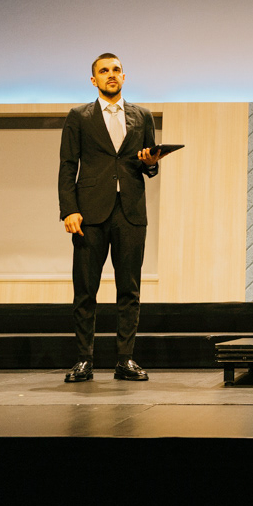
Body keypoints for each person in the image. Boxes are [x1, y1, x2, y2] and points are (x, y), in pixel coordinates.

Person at [58, 53, 162, 382]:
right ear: (94, 80)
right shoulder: (79, 116)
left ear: (124, 76)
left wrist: (151, 162)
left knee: (129, 289)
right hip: (89, 211)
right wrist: (68, 209)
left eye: (116, 70)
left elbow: (150, 165)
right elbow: (67, 165)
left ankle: (125, 359)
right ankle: (84, 360)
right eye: (104, 71)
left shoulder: (142, 116)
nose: (111, 74)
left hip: (130, 210)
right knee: (85, 289)